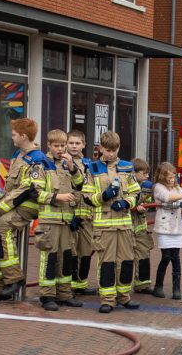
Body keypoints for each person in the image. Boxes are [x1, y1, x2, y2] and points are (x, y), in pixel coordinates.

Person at [0, 117, 44, 304]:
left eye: (13, 134)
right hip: (14, 204)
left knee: (1, 230)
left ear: (23, 136)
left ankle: (14, 278)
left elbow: (27, 188)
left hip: (26, 205)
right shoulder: (19, 155)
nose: (11, 137)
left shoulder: (37, 159)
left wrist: (3, 206)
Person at [82, 131, 140, 313]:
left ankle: (124, 297)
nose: (112, 154)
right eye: (108, 150)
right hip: (103, 226)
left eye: (114, 150)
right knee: (106, 263)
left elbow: (136, 193)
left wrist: (126, 202)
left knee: (126, 261)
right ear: (100, 149)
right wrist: (104, 196)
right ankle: (107, 300)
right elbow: (87, 197)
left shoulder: (127, 167)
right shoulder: (92, 169)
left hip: (124, 224)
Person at [35, 129, 85, 311]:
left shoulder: (68, 164)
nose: (60, 149)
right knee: (50, 258)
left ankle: (64, 294)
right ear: (49, 145)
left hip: (67, 221)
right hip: (49, 222)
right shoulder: (41, 165)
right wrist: (59, 197)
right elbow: (35, 193)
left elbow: (81, 184)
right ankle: (47, 295)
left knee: (66, 258)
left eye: (62, 145)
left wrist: (72, 167)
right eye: (56, 146)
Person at [150, 162, 182, 300]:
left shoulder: (178, 189)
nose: (172, 180)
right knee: (166, 257)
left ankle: (176, 289)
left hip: (176, 229)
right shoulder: (159, 188)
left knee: (176, 259)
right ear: (162, 177)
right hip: (164, 227)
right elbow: (168, 198)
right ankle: (158, 287)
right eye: (169, 178)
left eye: (174, 177)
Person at [66, 129, 97, 295]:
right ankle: (69, 285)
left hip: (86, 213)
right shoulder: (62, 163)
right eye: (71, 143)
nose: (74, 146)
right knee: (71, 250)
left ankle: (81, 284)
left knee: (85, 250)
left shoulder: (89, 165)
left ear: (84, 145)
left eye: (77, 143)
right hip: (69, 213)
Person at [131, 158, 154, 293]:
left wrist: (145, 205)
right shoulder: (127, 186)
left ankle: (142, 284)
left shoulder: (146, 187)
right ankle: (122, 286)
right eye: (144, 173)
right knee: (125, 258)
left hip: (140, 228)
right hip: (127, 227)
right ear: (134, 173)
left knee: (144, 255)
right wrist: (135, 207)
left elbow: (149, 203)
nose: (147, 176)